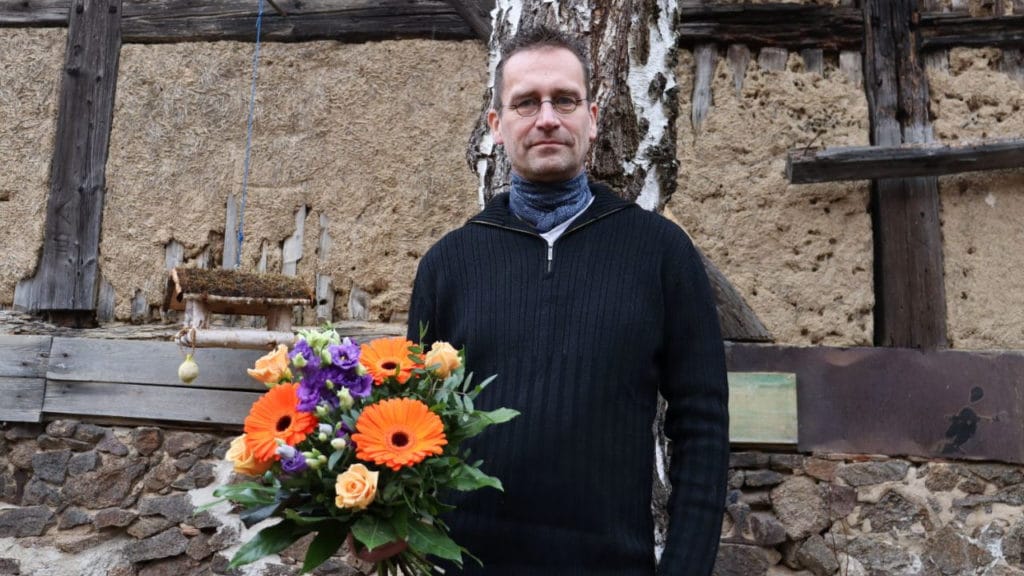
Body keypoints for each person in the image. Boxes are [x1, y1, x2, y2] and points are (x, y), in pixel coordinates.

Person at [406, 25, 729, 576]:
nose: (547, 117)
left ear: (593, 118)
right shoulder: (449, 263)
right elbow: (409, 422)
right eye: (526, 103)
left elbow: (702, 426)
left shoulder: (660, 253)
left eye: (565, 100)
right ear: (498, 127)